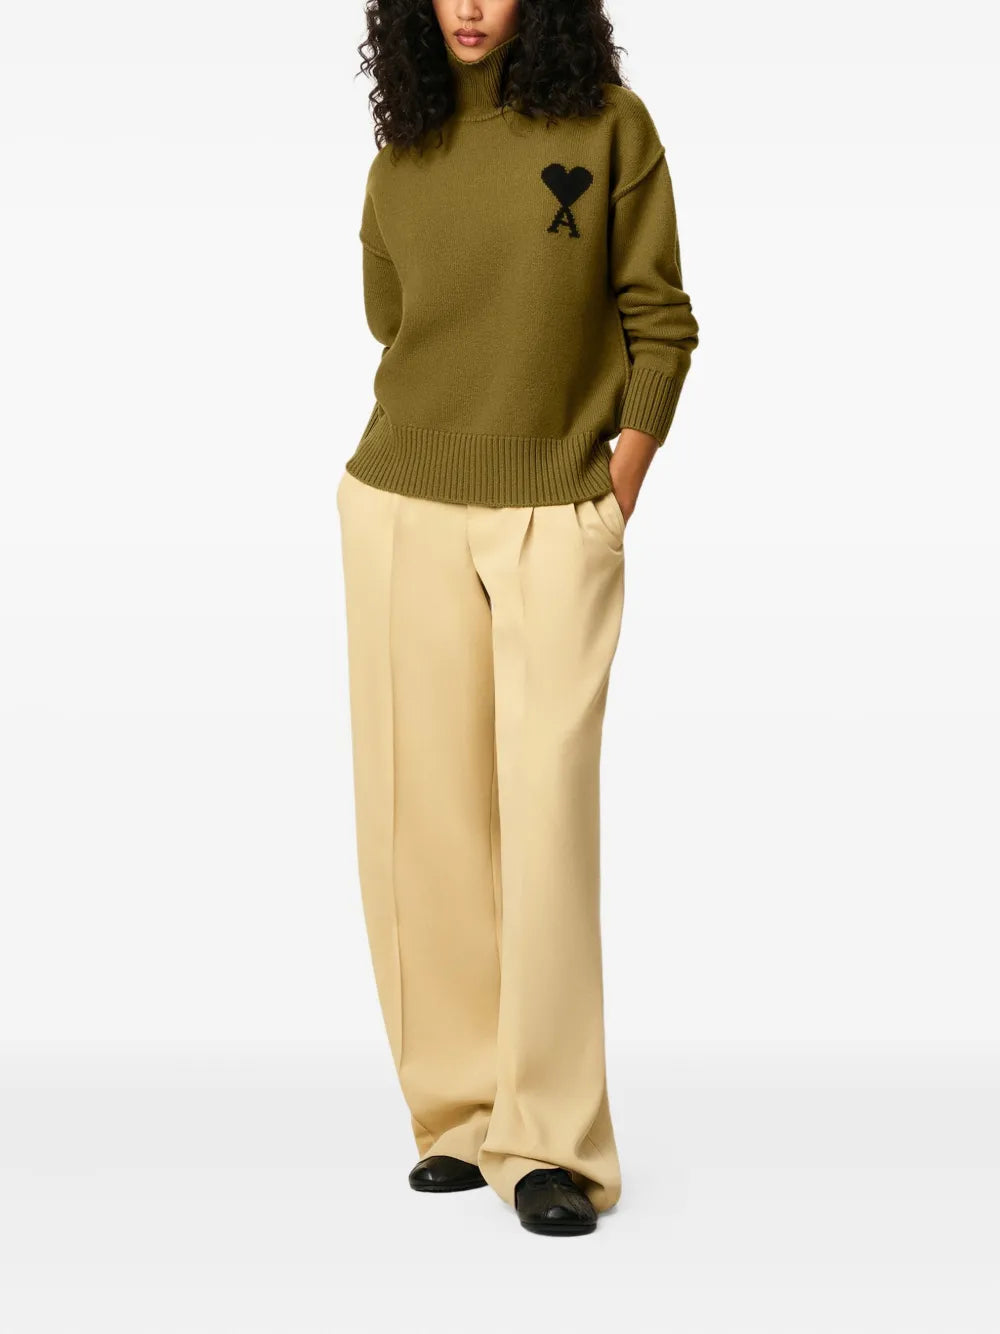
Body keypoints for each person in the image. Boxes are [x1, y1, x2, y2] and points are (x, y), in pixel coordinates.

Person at [336, 0, 699, 1237]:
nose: (469, 5)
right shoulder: (400, 162)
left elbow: (660, 316)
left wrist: (615, 483)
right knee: (423, 817)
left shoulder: (609, 128)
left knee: (543, 813)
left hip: (555, 508)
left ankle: (548, 1140)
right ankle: (458, 1112)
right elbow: (395, 324)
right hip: (402, 502)